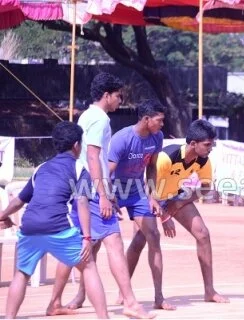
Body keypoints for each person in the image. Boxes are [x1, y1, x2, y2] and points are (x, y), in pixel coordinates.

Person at [48, 72, 154, 319]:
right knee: (114, 243)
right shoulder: (100, 119)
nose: (120, 100)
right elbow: (94, 156)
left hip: (86, 189)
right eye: (118, 96)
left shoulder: (87, 115)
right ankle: (129, 302)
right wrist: (104, 195)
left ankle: (55, 301)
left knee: (79, 248)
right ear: (106, 95)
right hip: (92, 191)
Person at [0, 122, 109, 319]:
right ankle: (104, 317)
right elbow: (82, 202)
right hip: (59, 227)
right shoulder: (78, 168)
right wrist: (86, 237)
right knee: (88, 265)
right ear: (76, 145)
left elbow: (18, 200)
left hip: (29, 227)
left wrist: (1, 215)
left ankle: (9, 318)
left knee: (22, 273)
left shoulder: (41, 168)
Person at [128, 119, 228, 303]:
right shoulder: (166, 157)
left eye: (212, 144)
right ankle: (124, 291)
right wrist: (165, 216)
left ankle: (209, 291)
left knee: (203, 234)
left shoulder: (203, 160)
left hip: (174, 195)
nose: (211, 148)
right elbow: (146, 186)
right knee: (139, 241)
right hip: (148, 197)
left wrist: (181, 202)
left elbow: (205, 187)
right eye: (207, 144)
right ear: (192, 144)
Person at [109, 100, 175, 310]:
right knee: (97, 241)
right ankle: (82, 295)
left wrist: (153, 196)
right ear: (147, 119)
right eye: (159, 120)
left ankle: (159, 297)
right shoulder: (122, 138)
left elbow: (152, 167)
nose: (162, 124)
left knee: (153, 236)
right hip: (115, 189)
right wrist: (108, 196)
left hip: (137, 191)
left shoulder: (157, 137)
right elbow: (107, 171)